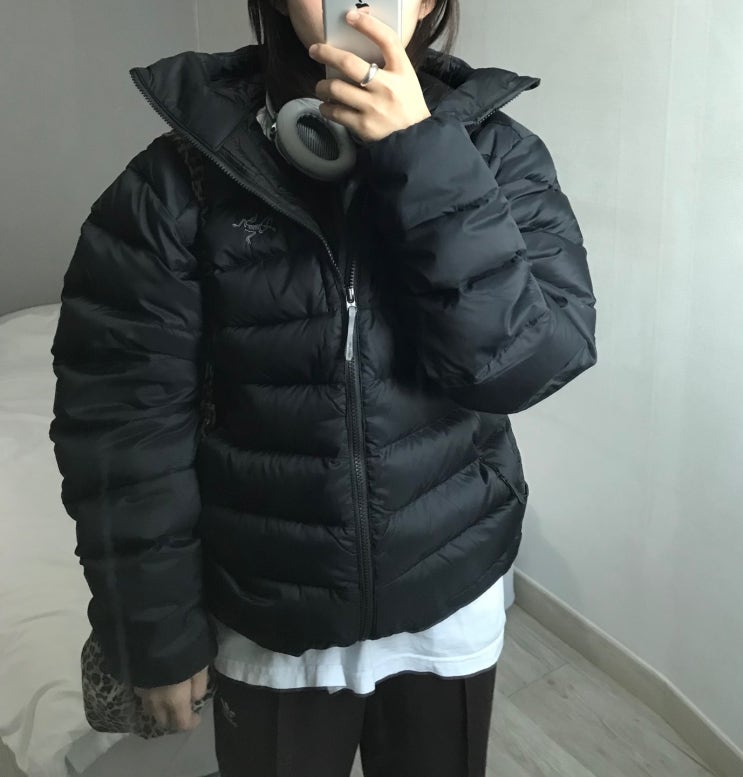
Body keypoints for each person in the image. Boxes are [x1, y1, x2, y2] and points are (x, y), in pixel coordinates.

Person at [48, 0, 597, 775]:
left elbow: (528, 364)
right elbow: (123, 429)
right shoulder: (175, 182)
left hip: (449, 601)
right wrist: (152, 631)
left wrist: (425, 158)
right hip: (267, 621)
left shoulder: (499, 157)